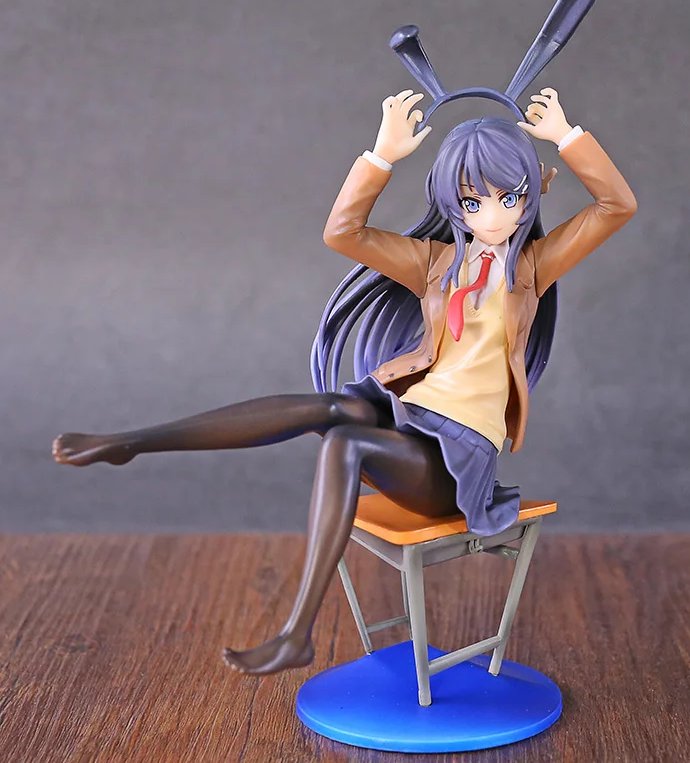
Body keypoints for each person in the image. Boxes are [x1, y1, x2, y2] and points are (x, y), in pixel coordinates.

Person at [52, 87, 636, 675]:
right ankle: (134, 442)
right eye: (472, 201)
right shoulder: (435, 263)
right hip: (409, 411)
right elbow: (344, 233)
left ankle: (296, 634)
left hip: (454, 459)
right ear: (451, 202)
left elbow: (616, 206)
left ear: (531, 193)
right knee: (331, 408)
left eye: (509, 198)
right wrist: (381, 155)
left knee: (345, 444)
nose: (492, 216)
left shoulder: (532, 268)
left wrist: (566, 136)